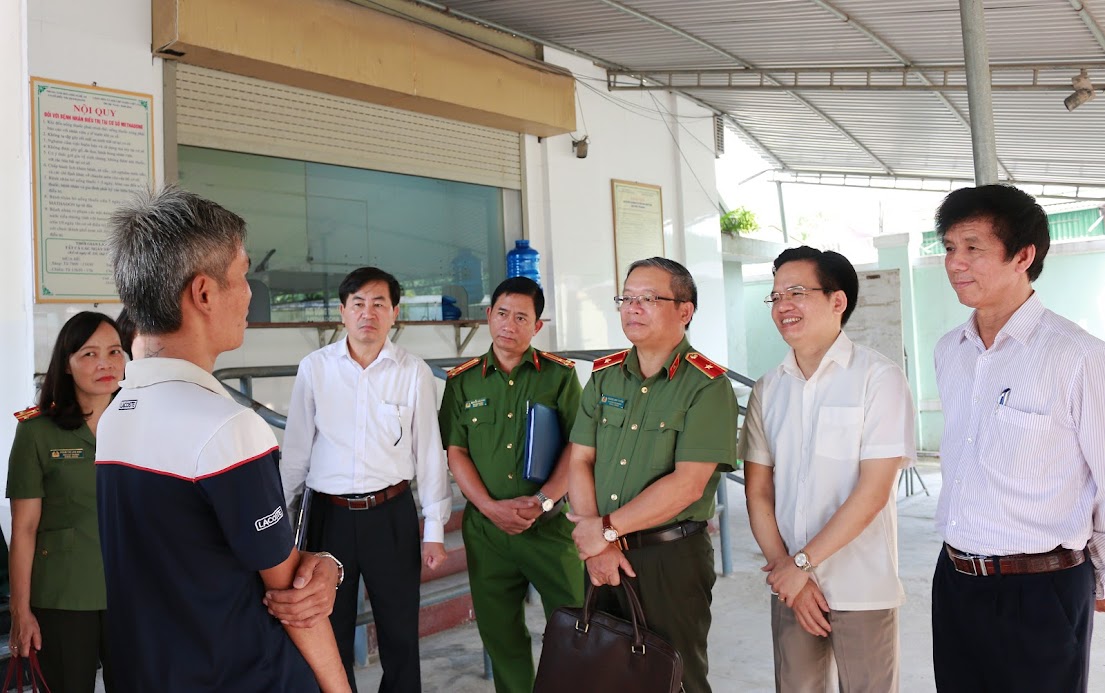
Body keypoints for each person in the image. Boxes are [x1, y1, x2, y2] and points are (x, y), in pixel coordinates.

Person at [96, 186, 348, 692]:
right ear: (204, 293)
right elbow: (291, 597)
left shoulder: (115, 414)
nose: (250, 292)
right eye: (243, 274)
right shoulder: (227, 427)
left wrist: (324, 563)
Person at [930, 184, 1105, 692]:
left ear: (1023, 256)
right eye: (948, 248)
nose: (955, 263)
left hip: (1042, 587)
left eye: (972, 247)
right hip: (956, 578)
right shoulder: (951, 351)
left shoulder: (1078, 356)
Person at [739, 247, 916, 692]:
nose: (783, 306)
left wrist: (802, 564)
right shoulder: (768, 388)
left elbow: (873, 492)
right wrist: (788, 572)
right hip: (790, 585)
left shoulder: (879, 378)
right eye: (775, 296)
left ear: (838, 301)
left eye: (796, 292)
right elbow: (758, 491)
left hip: (861, 586)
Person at [566, 256, 738, 693]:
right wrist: (598, 543)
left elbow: (688, 485)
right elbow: (580, 461)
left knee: (674, 678)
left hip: (669, 559)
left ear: (685, 311)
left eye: (648, 298)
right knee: (606, 675)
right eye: (626, 298)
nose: (632, 307)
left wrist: (603, 532)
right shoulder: (604, 378)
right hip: (601, 552)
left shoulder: (706, 385)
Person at [281, 266, 452, 693]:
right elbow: (297, 451)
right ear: (343, 311)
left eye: (379, 304)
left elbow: (429, 451)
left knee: (399, 631)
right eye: (357, 303)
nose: (367, 313)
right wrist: (280, 522)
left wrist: (433, 529)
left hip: (390, 514)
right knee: (329, 629)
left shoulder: (413, 372)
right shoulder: (315, 368)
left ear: (395, 313)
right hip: (328, 518)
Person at [438, 277, 584, 693]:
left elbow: (577, 446)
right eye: (502, 313)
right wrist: (487, 506)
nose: (509, 324)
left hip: (551, 528)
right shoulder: (462, 381)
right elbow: (456, 450)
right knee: (501, 637)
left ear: (537, 327)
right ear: (488, 316)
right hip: (488, 533)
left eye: (522, 317)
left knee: (575, 628)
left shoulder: (558, 377)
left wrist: (542, 501)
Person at [6, 311, 124, 692]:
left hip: (134, 587)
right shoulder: (37, 430)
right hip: (64, 593)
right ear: (67, 365)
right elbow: (24, 528)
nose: (105, 363)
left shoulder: (143, 421)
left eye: (114, 351)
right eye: (89, 354)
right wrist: (20, 611)